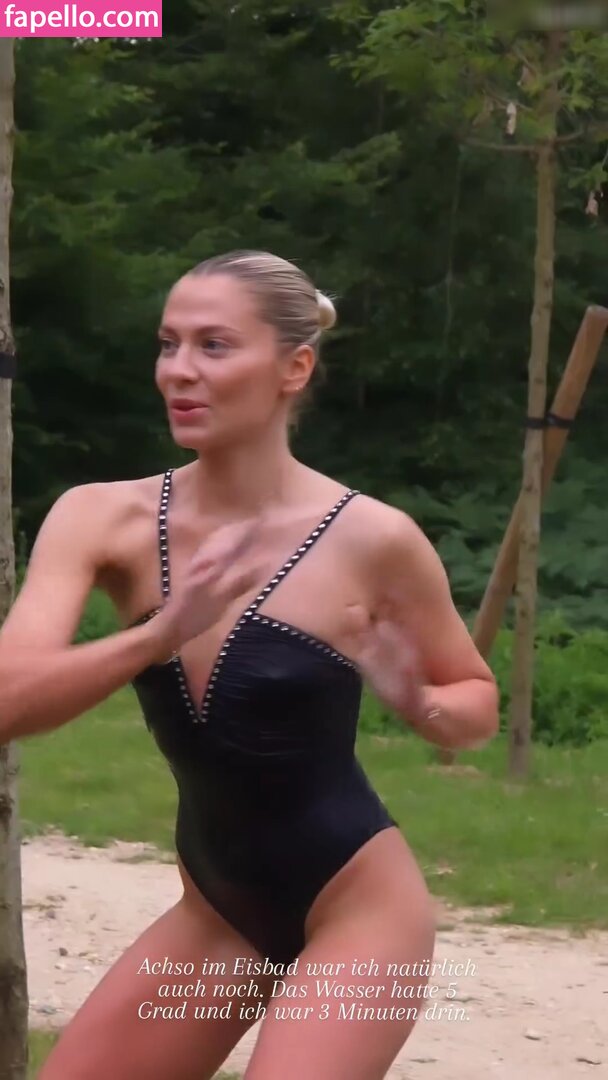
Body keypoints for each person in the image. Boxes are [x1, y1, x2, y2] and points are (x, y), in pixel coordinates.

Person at [0, 250, 498, 1080]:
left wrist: (423, 704)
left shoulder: (372, 537)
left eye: (214, 345)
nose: (179, 370)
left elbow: (474, 695)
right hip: (217, 915)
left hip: (361, 914)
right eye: (168, 344)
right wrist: (161, 633)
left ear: (293, 368)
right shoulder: (100, 518)